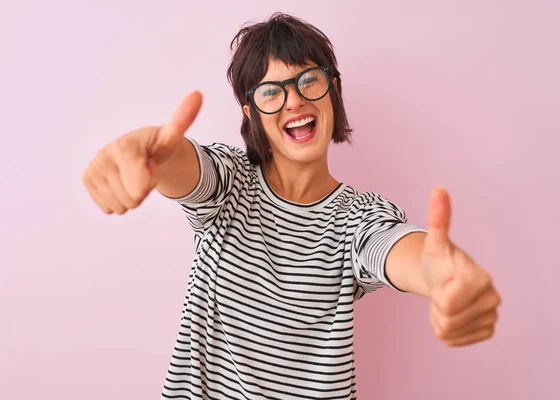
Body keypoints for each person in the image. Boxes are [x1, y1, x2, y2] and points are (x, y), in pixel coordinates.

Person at [82, 13, 501, 400]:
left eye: (309, 81)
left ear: (333, 89)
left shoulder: (359, 218)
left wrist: (441, 276)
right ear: (252, 113)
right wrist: (147, 153)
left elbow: (398, 249)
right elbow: (186, 166)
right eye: (270, 92)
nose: (294, 102)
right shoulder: (231, 185)